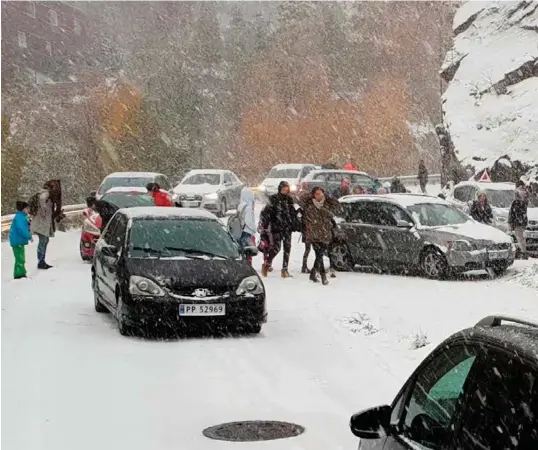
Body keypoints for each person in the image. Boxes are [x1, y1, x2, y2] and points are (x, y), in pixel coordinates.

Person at [298, 187, 342, 285]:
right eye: (317, 194)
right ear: (313, 195)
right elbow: (301, 202)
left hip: (325, 232)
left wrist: (327, 204)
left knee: (320, 254)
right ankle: (323, 276)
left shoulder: (328, 203)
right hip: (313, 233)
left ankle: (313, 273)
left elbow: (337, 208)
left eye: (321, 193)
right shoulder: (309, 205)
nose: (319, 195)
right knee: (319, 254)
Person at [258, 181, 297, 278]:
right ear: (280, 189)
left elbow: (292, 212)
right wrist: (266, 224)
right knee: (277, 248)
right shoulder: (274, 199)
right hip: (277, 227)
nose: (285, 191)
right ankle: (267, 263)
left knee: (287, 248)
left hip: (287, 227)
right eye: (283, 189)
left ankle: (285, 269)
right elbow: (267, 212)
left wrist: (294, 221)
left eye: (286, 189)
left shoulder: (289, 200)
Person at [29, 180, 61, 270]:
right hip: (41, 223)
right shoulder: (45, 193)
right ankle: (41, 262)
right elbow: (42, 200)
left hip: (41, 223)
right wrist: (44, 211)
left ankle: (42, 261)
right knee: (43, 241)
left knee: (45, 241)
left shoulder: (45, 193)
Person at [9, 201, 33, 279]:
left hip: (18, 240)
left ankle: (21, 272)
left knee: (20, 257)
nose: (28, 210)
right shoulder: (20, 217)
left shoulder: (22, 216)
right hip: (17, 241)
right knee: (20, 258)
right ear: (23, 209)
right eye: (27, 208)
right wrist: (29, 236)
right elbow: (21, 229)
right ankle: (19, 274)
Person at [509, 181, 529, 259]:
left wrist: (511, 222)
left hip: (519, 221)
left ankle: (523, 253)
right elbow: (513, 211)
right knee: (520, 238)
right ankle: (522, 252)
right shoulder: (523, 197)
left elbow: (513, 211)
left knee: (520, 238)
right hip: (520, 221)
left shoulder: (518, 198)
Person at [237, 187, 256, 264]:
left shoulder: (241, 206)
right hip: (247, 231)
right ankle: (248, 264)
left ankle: (243, 263)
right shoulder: (248, 208)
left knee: (242, 249)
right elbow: (248, 221)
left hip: (241, 231)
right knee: (249, 250)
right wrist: (254, 228)